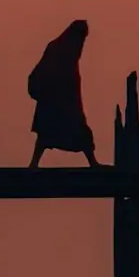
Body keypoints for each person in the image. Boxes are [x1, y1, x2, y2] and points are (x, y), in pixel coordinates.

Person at [26, 19, 101, 167]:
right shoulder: (60, 49)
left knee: (59, 134)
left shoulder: (66, 50)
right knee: (49, 135)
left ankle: (92, 162)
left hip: (61, 103)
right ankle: (34, 163)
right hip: (57, 103)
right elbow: (49, 73)